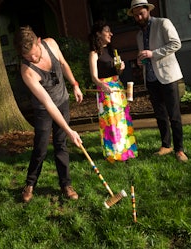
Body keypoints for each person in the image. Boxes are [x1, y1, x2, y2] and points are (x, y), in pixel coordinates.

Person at [13, 26, 83, 203]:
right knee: (41, 148)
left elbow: (64, 64)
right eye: (27, 57)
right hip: (44, 110)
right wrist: (69, 130)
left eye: (34, 54)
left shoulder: (51, 44)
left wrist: (74, 84)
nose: (33, 59)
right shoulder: (27, 71)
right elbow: (47, 103)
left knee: (61, 144)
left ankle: (66, 184)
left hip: (63, 101)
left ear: (39, 41)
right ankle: (30, 184)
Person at [127, 0, 188, 162]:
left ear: (148, 10)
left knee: (174, 115)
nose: (139, 17)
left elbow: (176, 44)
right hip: (151, 79)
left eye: (141, 13)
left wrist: (152, 53)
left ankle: (179, 149)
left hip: (168, 77)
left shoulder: (163, 23)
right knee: (160, 115)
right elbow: (145, 56)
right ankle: (166, 145)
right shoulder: (139, 35)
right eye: (136, 15)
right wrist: (141, 61)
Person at [88, 20, 138, 163]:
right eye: (107, 31)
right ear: (98, 34)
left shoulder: (111, 51)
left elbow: (115, 72)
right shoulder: (94, 53)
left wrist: (120, 69)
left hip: (117, 88)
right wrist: (101, 85)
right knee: (110, 123)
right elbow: (94, 77)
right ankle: (113, 153)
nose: (111, 34)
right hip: (106, 91)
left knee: (122, 121)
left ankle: (126, 151)